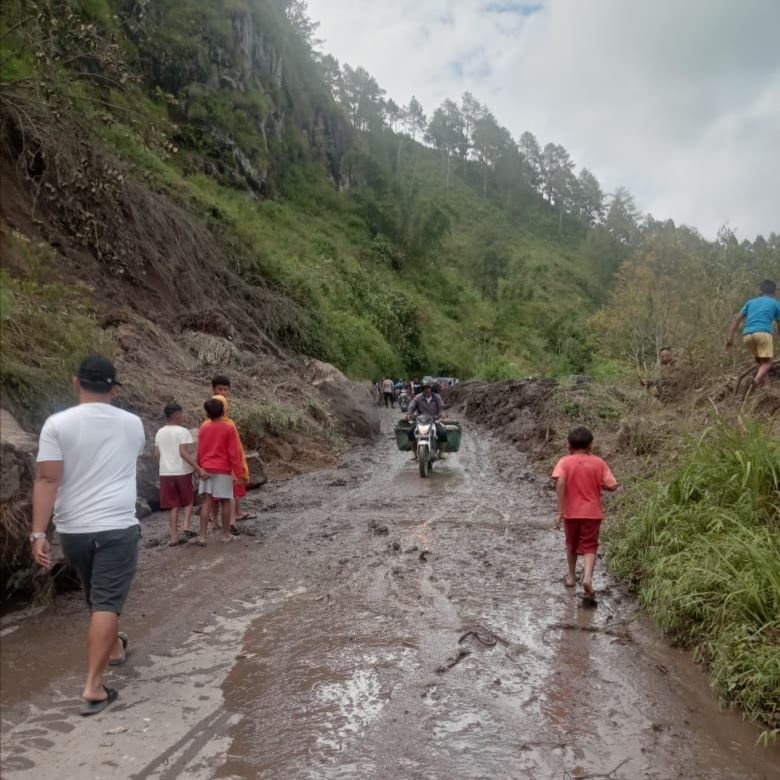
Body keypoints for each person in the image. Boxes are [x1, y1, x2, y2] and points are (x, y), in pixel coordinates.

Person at [31, 355, 145, 716]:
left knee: (96, 596)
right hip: (116, 525)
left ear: (76, 382)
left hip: (73, 529)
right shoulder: (133, 424)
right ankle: (93, 687)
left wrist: (38, 533)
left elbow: (48, 479)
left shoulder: (56, 425)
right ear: (113, 389)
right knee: (107, 600)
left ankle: (113, 649)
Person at [552, 426, 618, 599]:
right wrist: (600, 484)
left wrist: (559, 511)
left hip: (571, 513)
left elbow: (560, 483)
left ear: (569, 446)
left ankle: (572, 577)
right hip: (592, 513)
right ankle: (587, 578)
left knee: (571, 544)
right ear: (590, 446)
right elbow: (612, 485)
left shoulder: (564, 462)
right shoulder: (599, 462)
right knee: (590, 546)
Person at [154, 403, 206, 546]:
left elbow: (157, 454)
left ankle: (174, 537)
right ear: (177, 416)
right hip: (182, 471)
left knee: (173, 505)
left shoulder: (159, 432)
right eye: (181, 415)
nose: (182, 417)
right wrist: (197, 467)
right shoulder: (182, 431)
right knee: (188, 500)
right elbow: (183, 453)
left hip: (165, 472)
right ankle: (186, 525)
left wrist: (164, 466)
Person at [197, 397, 243, 545]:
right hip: (222, 469)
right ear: (223, 411)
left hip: (206, 468)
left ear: (207, 413)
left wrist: (199, 467)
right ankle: (225, 534)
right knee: (225, 501)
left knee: (206, 502)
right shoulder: (229, 428)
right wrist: (239, 473)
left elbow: (200, 450)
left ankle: (202, 537)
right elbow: (233, 453)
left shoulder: (203, 428)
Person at [726, 279, 780, 389]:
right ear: (775, 292)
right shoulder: (775, 303)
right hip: (763, 333)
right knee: (767, 363)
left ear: (760, 291)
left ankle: (766, 386)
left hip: (747, 335)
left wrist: (730, 339)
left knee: (760, 362)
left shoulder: (750, 302)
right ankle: (754, 382)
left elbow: (736, 319)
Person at [407, 379, 447, 459]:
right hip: (420, 420)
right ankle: (413, 452)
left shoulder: (437, 397)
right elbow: (411, 407)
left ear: (431, 388)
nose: (427, 390)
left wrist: (442, 415)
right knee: (411, 431)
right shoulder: (418, 397)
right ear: (422, 389)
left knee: (442, 432)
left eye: (428, 388)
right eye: (425, 388)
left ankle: (441, 452)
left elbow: (441, 408)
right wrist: (409, 414)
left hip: (434, 420)